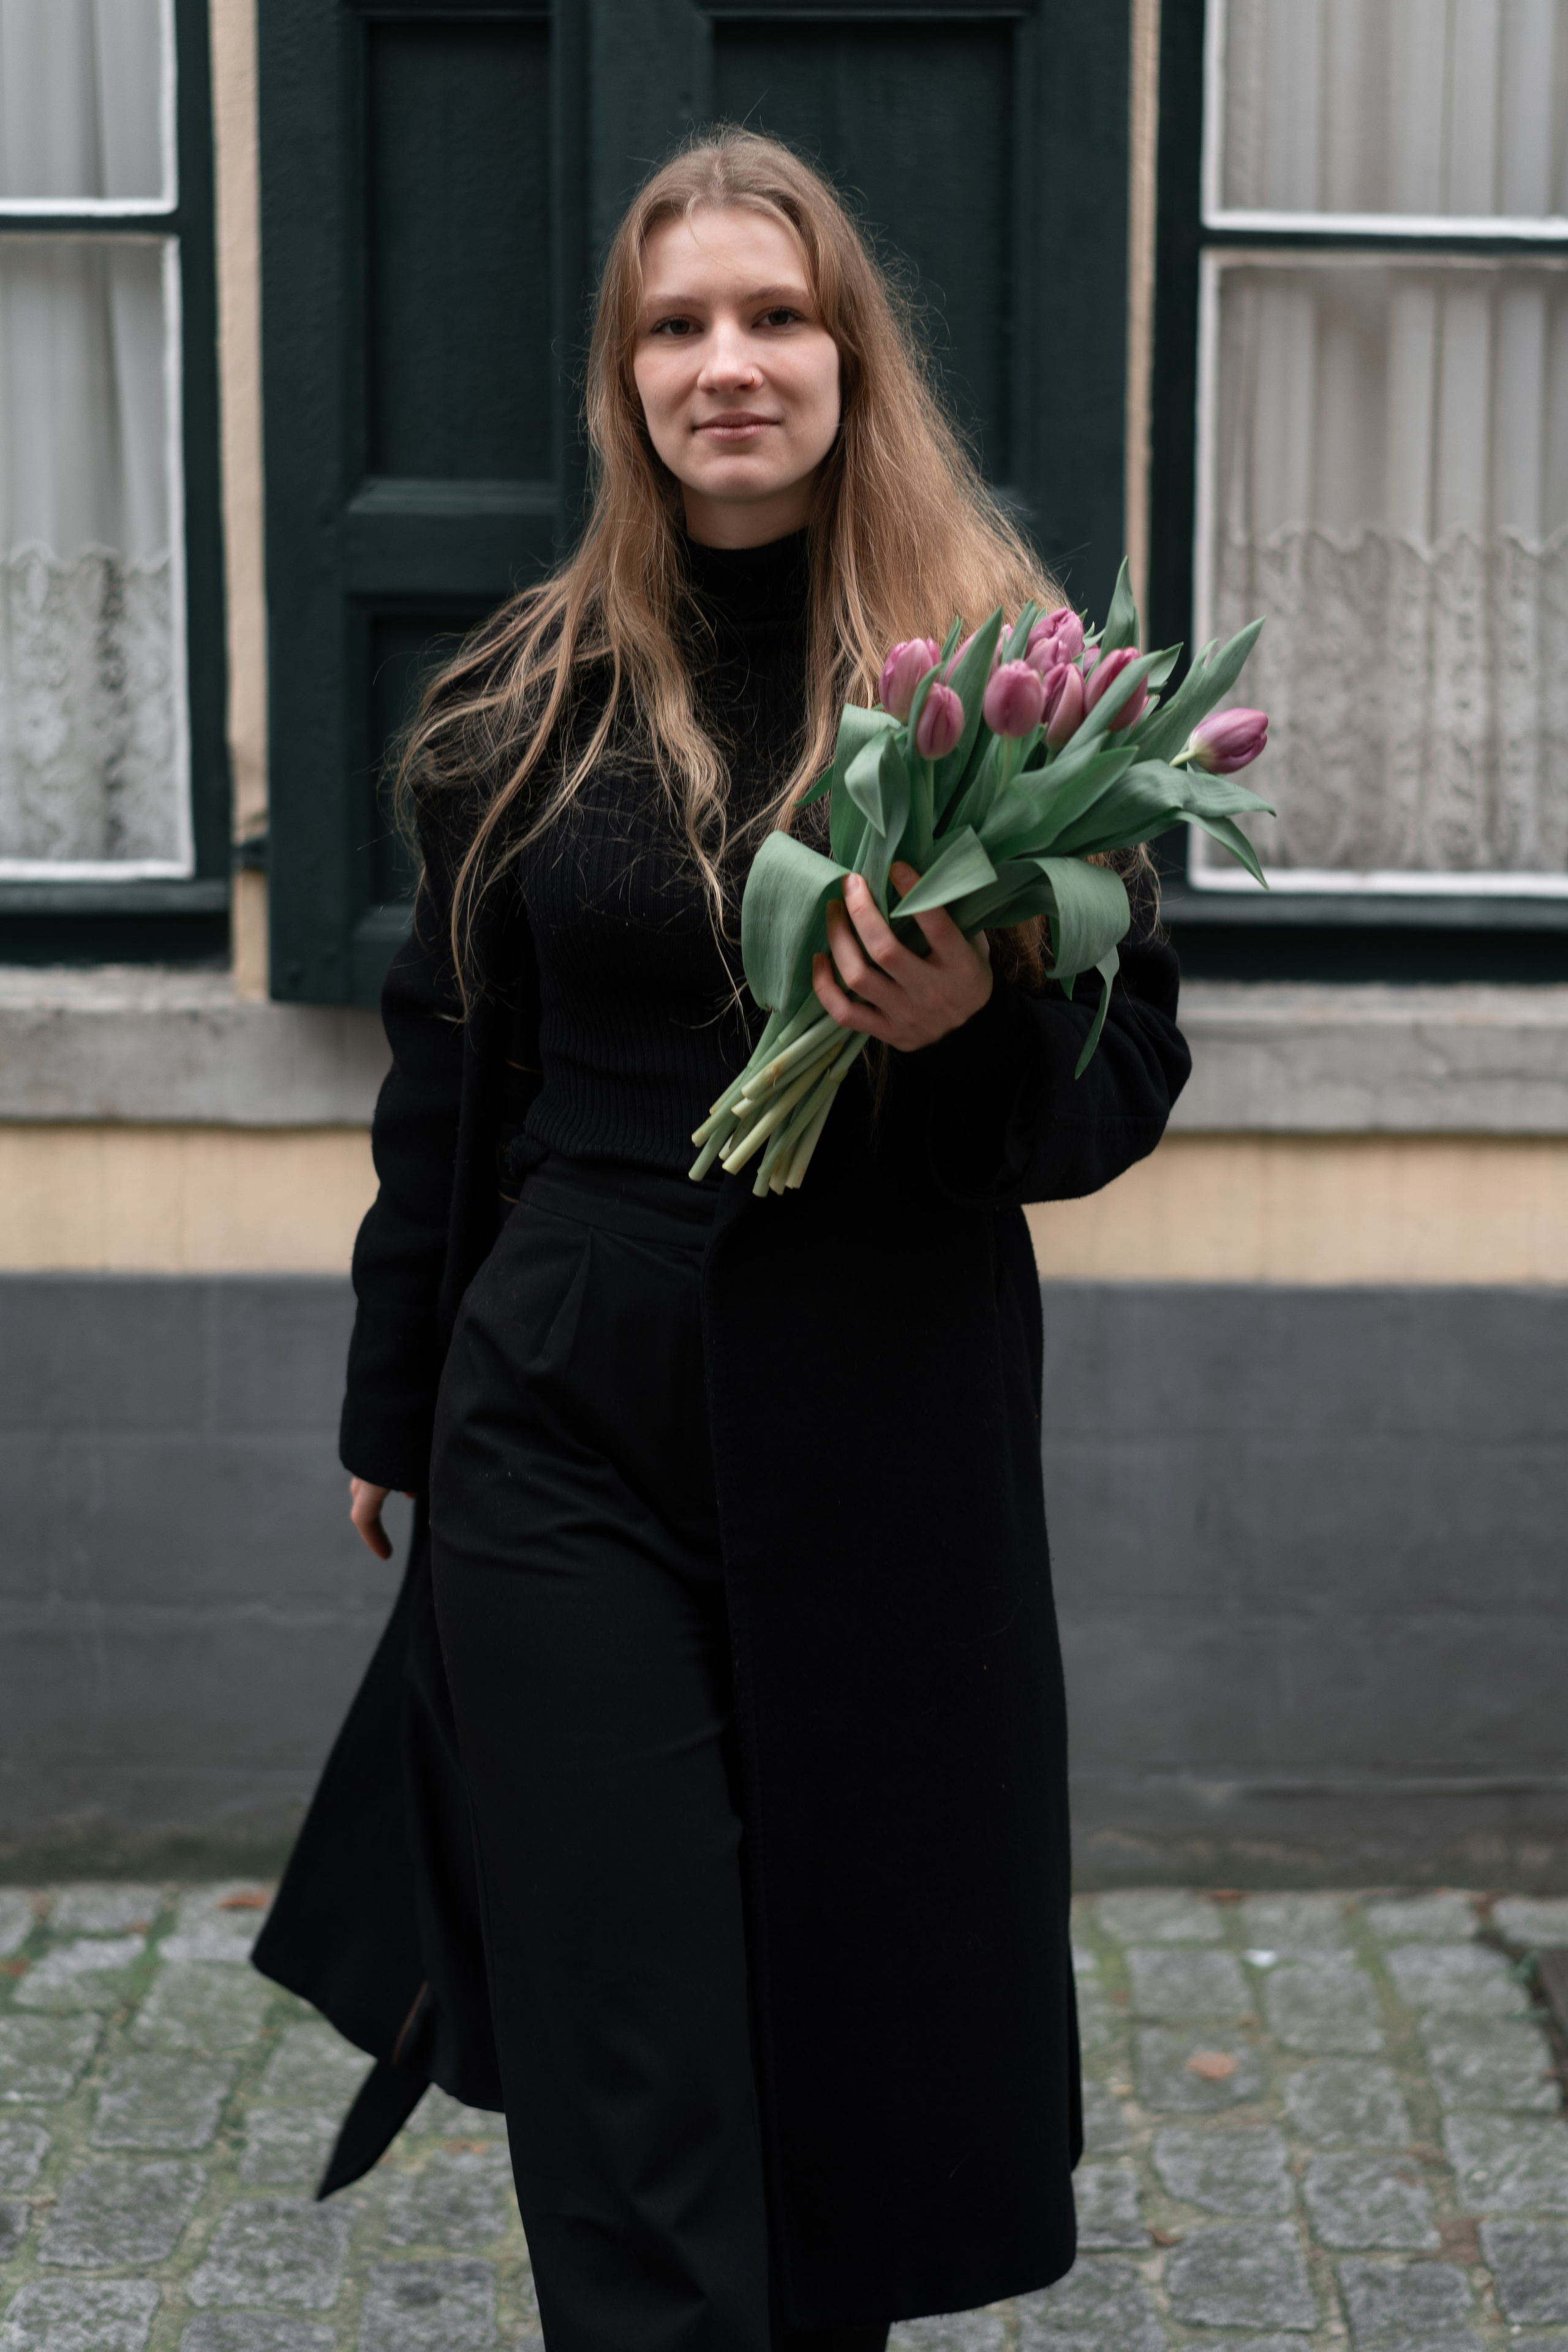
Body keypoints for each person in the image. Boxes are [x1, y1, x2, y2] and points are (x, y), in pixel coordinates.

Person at [254, 129, 1191, 2352]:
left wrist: (967, 1033)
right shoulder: (525, 697)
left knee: (835, 2038)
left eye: (775, 317)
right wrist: (398, 1405)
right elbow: (440, 1074)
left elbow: (1122, 1083)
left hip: (874, 1413)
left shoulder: (1004, 690)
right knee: (629, 2035)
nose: (727, 364)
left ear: (854, 362)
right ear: (625, 383)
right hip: (561, 1412)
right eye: (677, 327)